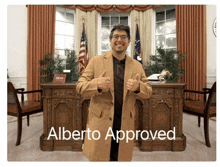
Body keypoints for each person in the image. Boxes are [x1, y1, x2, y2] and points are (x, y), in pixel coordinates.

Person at [76, 24, 152, 161]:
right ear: (110, 40)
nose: (119, 40)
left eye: (123, 37)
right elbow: (80, 87)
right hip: (101, 121)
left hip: (124, 122)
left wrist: (138, 87)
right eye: (116, 36)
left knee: (120, 157)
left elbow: (148, 92)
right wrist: (96, 85)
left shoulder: (137, 65)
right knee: (100, 157)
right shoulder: (96, 61)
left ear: (128, 42)